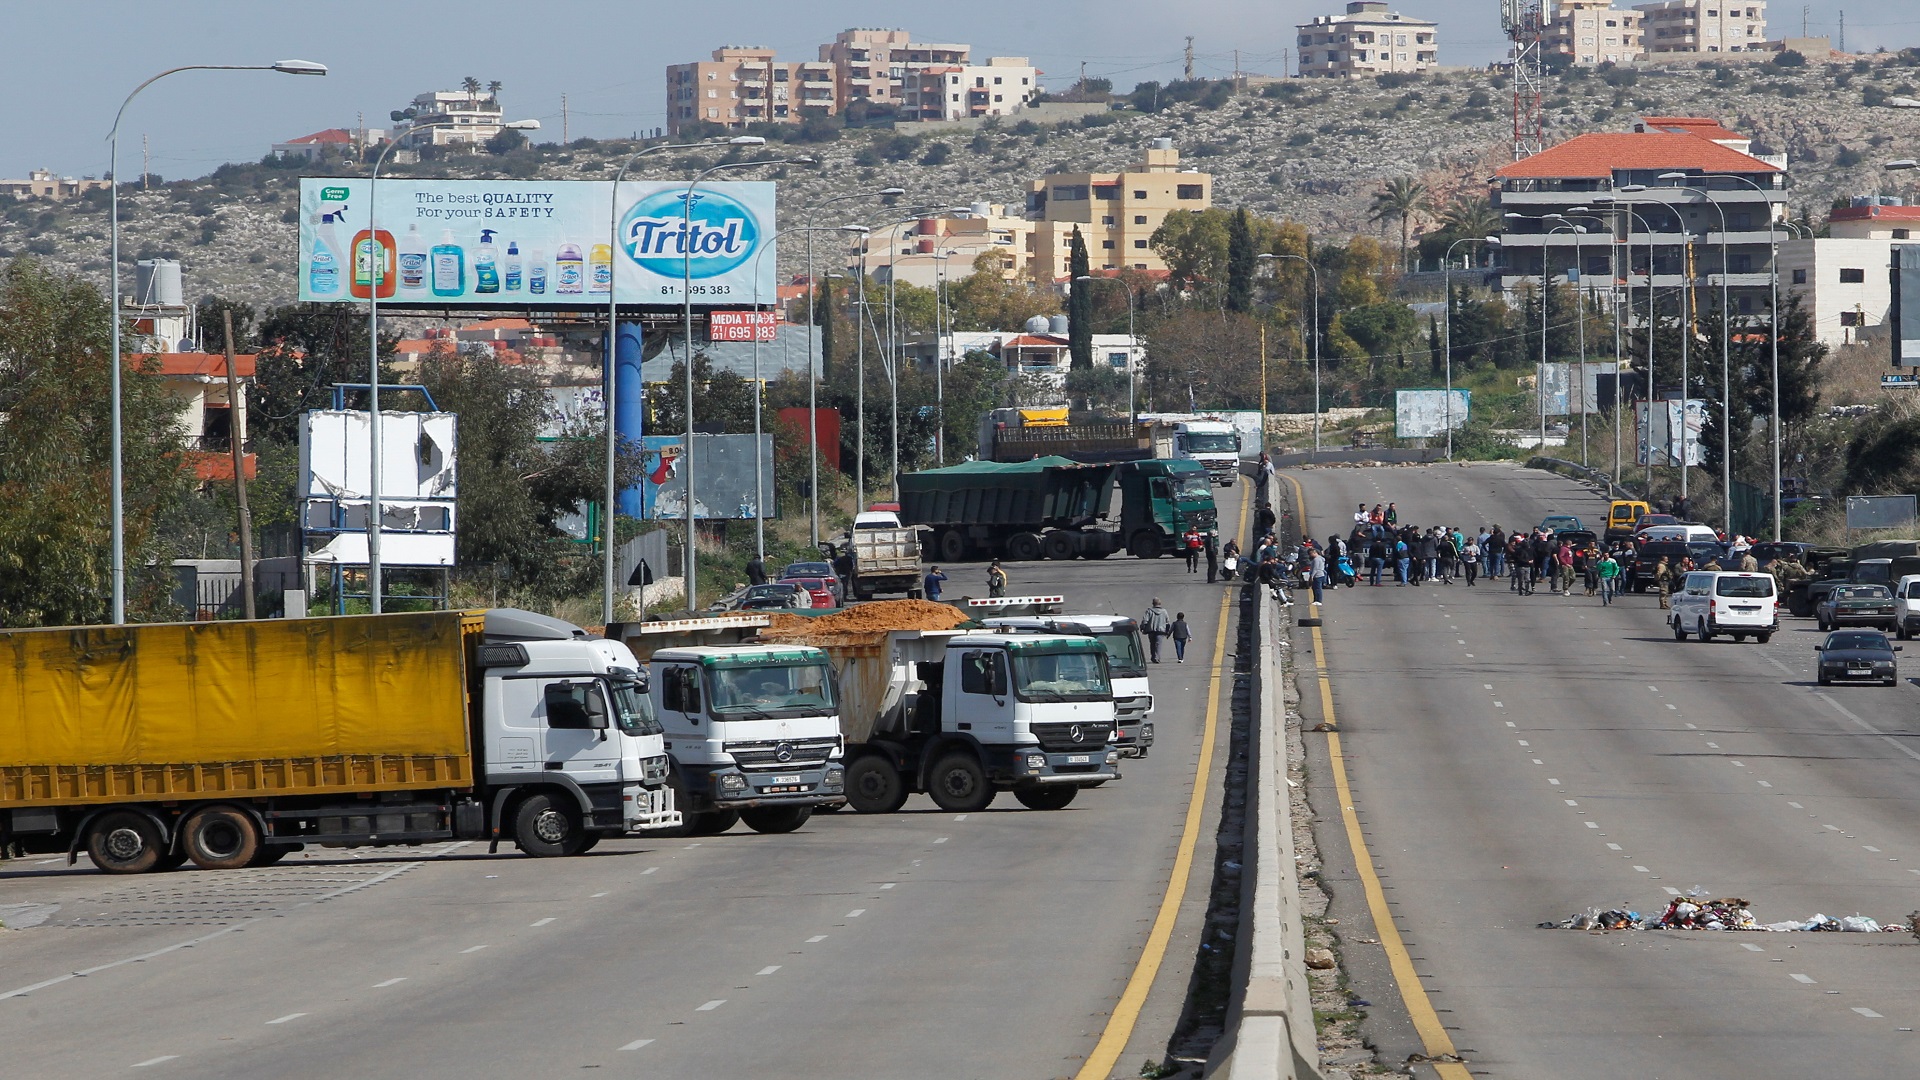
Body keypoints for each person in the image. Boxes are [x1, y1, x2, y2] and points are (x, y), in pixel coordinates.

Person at [1143, 598, 1173, 662]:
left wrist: (1143, 627)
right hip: (1161, 631)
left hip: (1151, 630)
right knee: (1158, 644)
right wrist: (1167, 631)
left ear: (1153, 603)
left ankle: (1153, 656)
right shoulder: (1164, 611)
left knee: (1152, 644)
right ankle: (1157, 657)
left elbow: (1145, 620)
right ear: (1160, 603)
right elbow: (1167, 622)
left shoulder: (1149, 611)